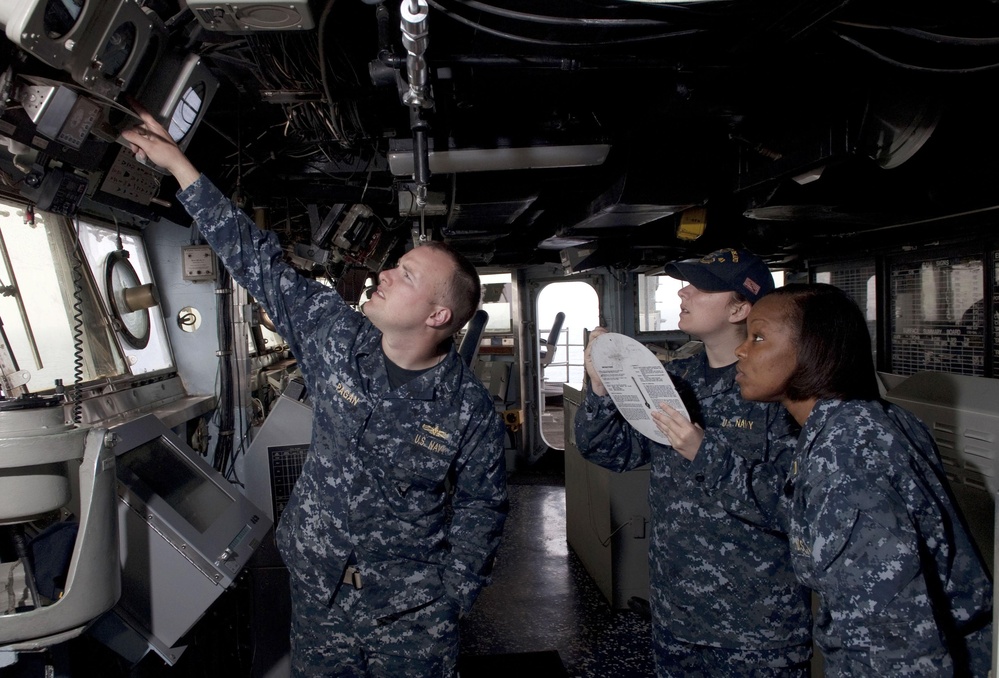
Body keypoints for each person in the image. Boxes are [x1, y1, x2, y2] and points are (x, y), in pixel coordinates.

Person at [122, 109, 508, 677]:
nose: (384, 275)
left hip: (410, 615)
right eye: (394, 265)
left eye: (405, 275)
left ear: (437, 314)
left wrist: (450, 599)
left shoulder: (468, 412)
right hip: (321, 595)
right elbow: (258, 261)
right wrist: (180, 165)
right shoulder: (337, 337)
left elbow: (484, 508)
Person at [734, 282, 993, 676]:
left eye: (758, 336)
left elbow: (893, 639)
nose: (742, 350)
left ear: (812, 350)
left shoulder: (847, 453)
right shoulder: (862, 418)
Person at [576, 249, 813, 677]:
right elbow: (611, 451)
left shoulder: (783, 389)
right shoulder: (674, 378)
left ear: (740, 307)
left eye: (701, 286)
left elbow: (798, 510)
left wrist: (703, 453)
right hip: (676, 615)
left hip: (756, 628)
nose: (683, 290)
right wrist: (600, 391)